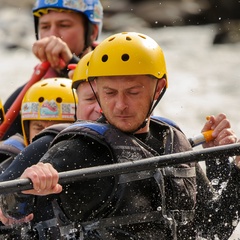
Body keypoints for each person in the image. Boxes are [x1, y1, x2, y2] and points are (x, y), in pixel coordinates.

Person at [0, 32, 238, 240]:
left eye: (133, 92)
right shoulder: (78, 148)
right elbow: (8, 208)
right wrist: (27, 185)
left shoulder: (174, 143)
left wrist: (233, 171)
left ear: (158, 88)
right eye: (109, 93)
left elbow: (213, 229)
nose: (120, 105)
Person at [0, 52, 102, 239]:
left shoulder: (86, 154)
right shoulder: (10, 164)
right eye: (39, 127)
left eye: (56, 126)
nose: (44, 135)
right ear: (25, 129)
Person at [2, 0, 103, 140]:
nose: (53, 35)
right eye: (45, 26)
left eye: (64, 25)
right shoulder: (26, 93)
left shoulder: (116, 75)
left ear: (93, 32)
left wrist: (70, 63)